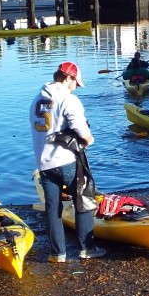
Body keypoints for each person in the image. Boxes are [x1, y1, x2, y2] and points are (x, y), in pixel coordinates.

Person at [30, 61, 103, 262]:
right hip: (66, 160)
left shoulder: (37, 99)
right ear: (68, 78)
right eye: (76, 83)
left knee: (52, 208)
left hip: (44, 162)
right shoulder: (68, 99)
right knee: (84, 199)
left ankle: (58, 254)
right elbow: (79, 128)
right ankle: (86, 249)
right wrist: (89, 139)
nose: (76, 87)